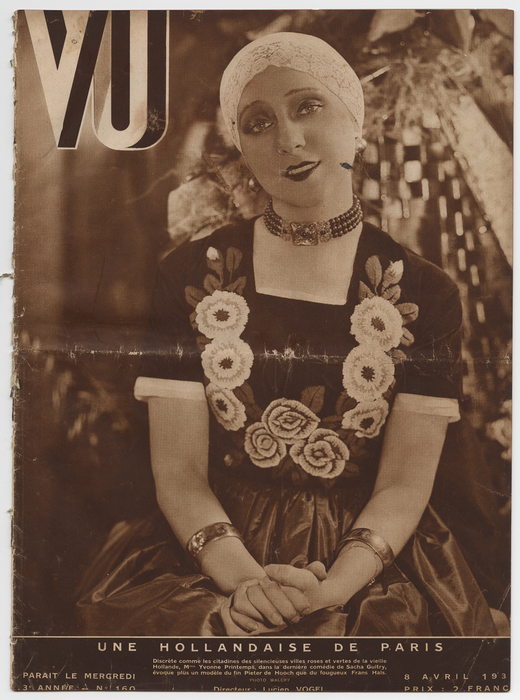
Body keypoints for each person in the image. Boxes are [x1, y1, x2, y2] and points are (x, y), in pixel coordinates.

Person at [76, 32, 506, 637]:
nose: (288, 139)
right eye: (259, 123)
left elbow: (405, 483)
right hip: (213, 548)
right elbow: (179, 472)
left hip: (368, 559)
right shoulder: (190, 273)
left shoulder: (426, 292)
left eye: (308, 107)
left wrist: (331, 591)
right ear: (242, 149)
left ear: (356, 123)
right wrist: (246, 586)